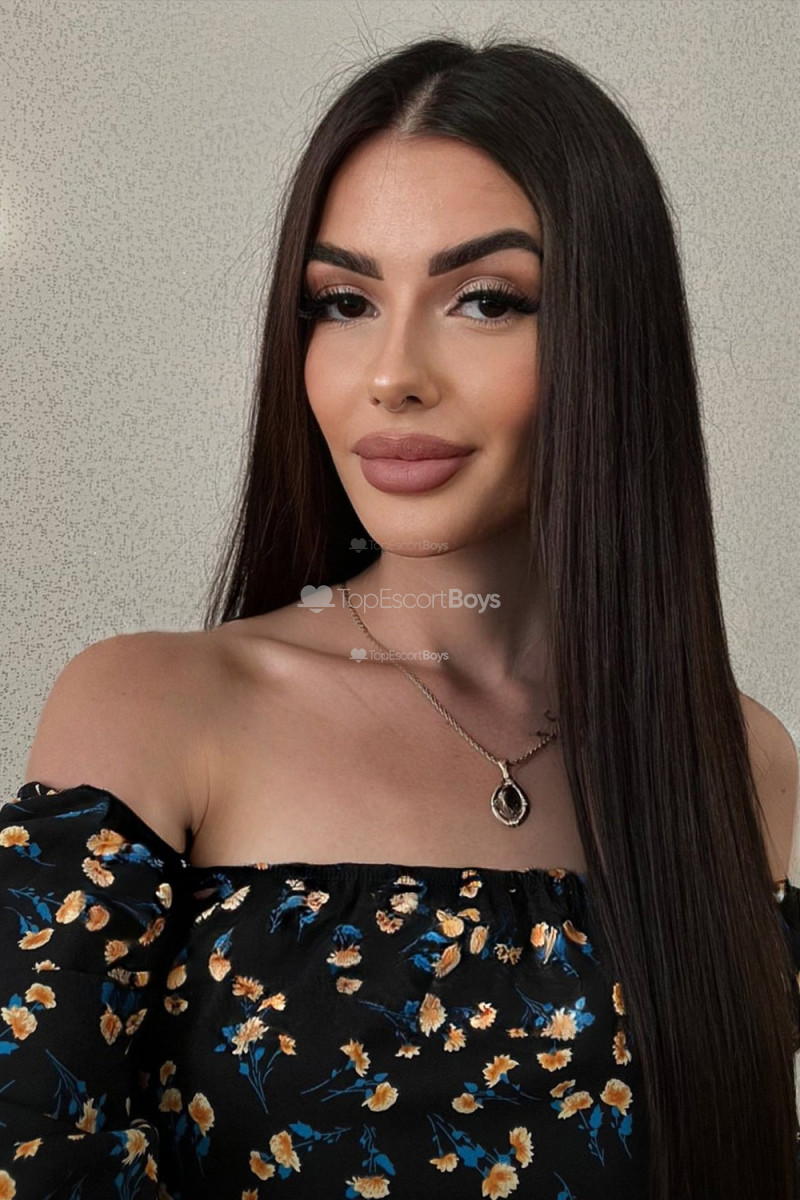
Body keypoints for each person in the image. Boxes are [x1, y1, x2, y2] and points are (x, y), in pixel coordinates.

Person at [2, 34, 798, 1200]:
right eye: (343, 301)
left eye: (484, 300)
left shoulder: (739, 764)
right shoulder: (153, 713)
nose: (391, 374)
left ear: (609, 340)